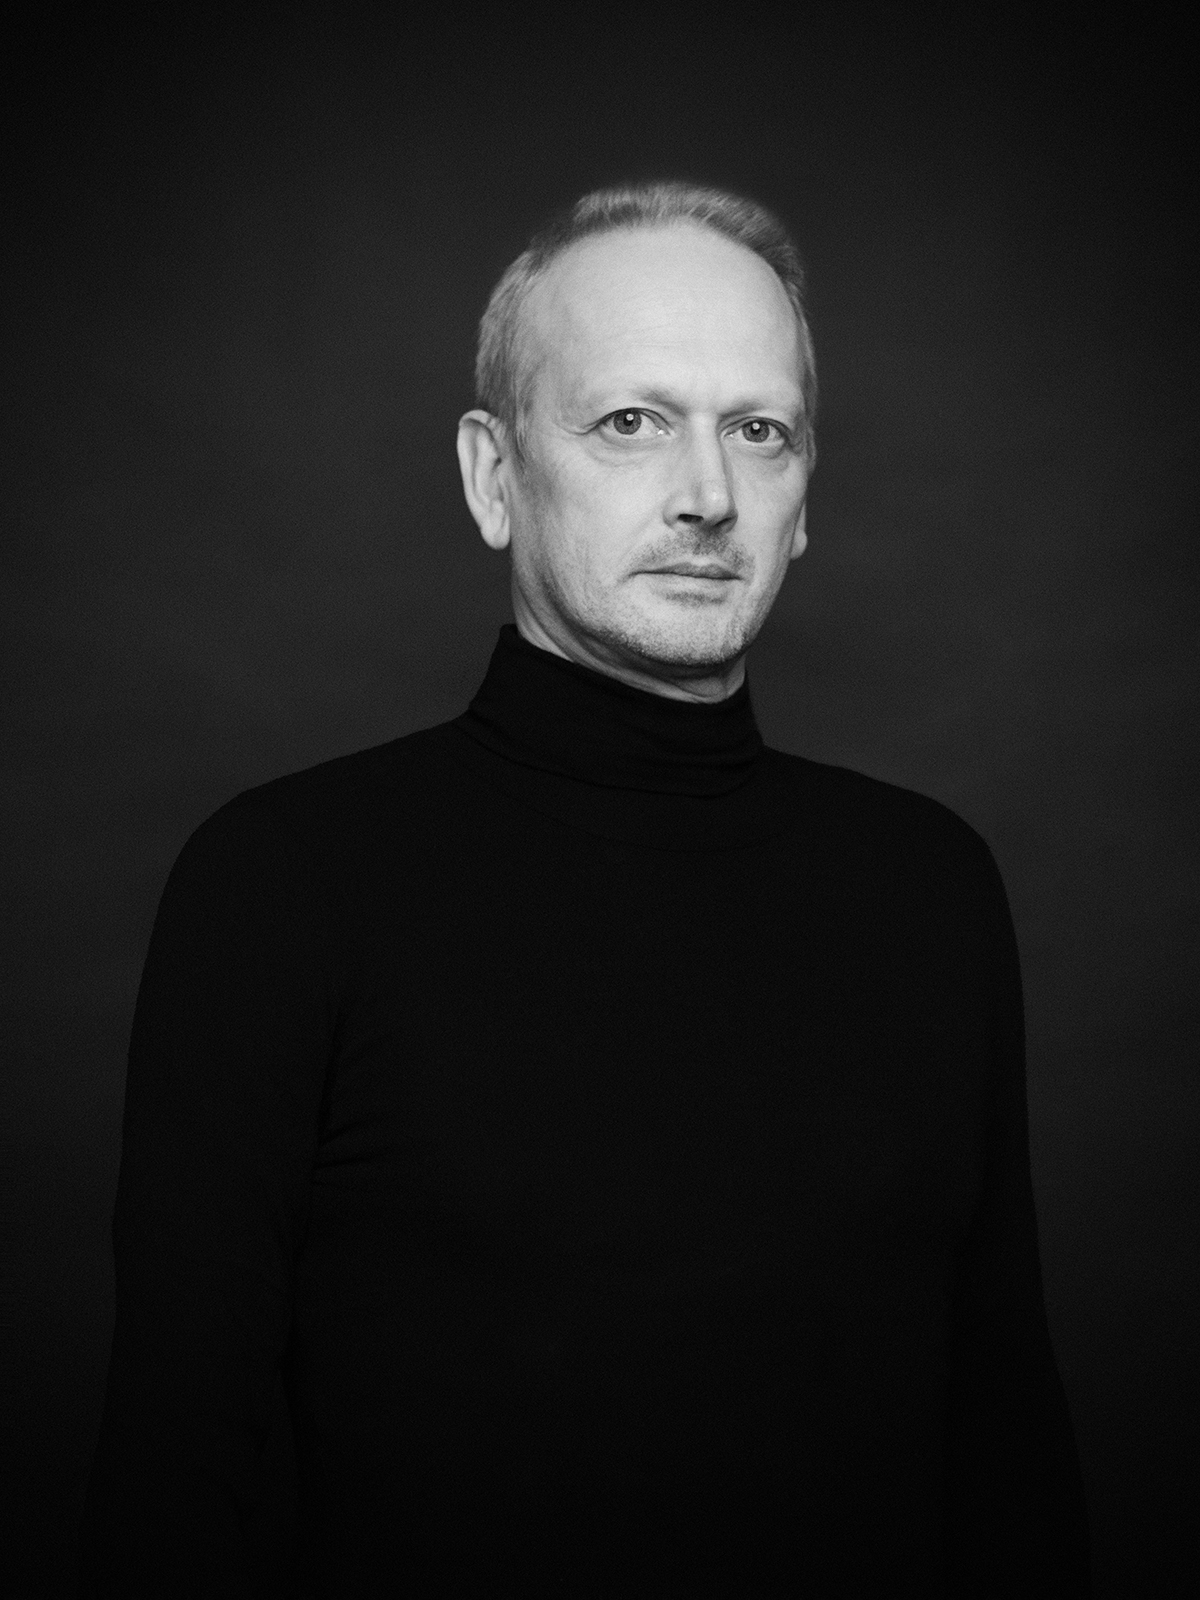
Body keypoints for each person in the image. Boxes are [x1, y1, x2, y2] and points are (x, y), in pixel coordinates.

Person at [78, 181, 1091, 1597]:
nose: (707, 495)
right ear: (493, 477)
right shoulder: (284, 884)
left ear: (805, 497)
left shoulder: (931, 887)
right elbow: (172, 1491)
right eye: (630, 422)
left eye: (759, 430)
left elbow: (1009, 1462)